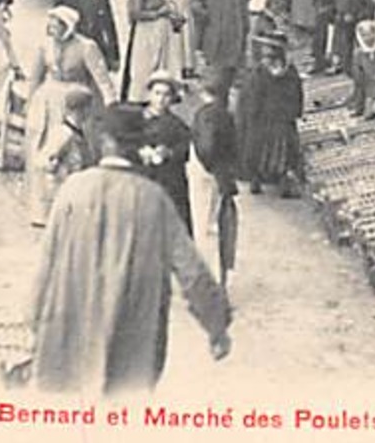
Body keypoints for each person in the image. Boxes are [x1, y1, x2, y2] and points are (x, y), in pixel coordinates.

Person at [27, 105, 231, 396]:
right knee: (123, 419)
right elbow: (191, 271)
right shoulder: (153, 199)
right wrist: (216, 325)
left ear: (104, 142)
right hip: (134, 333)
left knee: (70, 424)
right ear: (137, 145)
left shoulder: (73, 190)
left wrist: (34, 320)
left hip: (70, 331)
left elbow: (46, 263)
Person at [23, 7, 116, 227]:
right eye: (51, 24)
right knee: (43, 152)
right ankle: (42, 211)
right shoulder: (44, 46)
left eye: (57, 24)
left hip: (76, 103)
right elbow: (35, 78)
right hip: (47, 103)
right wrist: (29, 103)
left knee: (73, 154)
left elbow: (102, 80)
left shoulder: (87, 47)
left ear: (68, 26)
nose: (52, 29)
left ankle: (74, 209)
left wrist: (111, 106)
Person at [238, 31, 305, 197]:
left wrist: (250, 114)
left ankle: (262, 179)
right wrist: (295, 112)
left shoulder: (260, 72)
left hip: (267, 118)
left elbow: (251, 97)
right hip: (278, 118)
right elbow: (297, 94)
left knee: (263, 149)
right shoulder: (288, 72)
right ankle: (272, 180)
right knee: (281, 151)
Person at [190, 75, 242, 266]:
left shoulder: (206, 114)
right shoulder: (220, 115)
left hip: (206, 168)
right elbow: (211, 146)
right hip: (214, 170)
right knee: (212, 221)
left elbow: (206, 146)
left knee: (204, 218)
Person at [139, 73, 194, 233]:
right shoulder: (135, 120)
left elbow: (185, 149)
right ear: (149, 94)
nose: (161, 99)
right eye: (157, 93)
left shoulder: (177, 125)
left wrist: (169, 153)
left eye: (166, 95)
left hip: (168, 182)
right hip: (141, 180)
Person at [122, 0, 179, 101]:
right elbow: (135, 13)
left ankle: (157, 93)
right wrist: (156, 14)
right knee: (143, 64)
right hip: (145, 30)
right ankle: (139, 96)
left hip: (159, 29)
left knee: (159, 62)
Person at [193, 0, 247, 95]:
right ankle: (214, 88)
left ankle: (229, 84)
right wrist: (204, 14)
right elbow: (195, 2)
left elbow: (243, 9)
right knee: (216, 59)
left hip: (234, 30)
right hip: (216, 29)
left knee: (232, 59)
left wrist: (245, 26)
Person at [55, 0, 120, 70]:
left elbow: (109, 28)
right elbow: (56, 29)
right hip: (72, 49)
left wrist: (114, 56)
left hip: (96, 48)